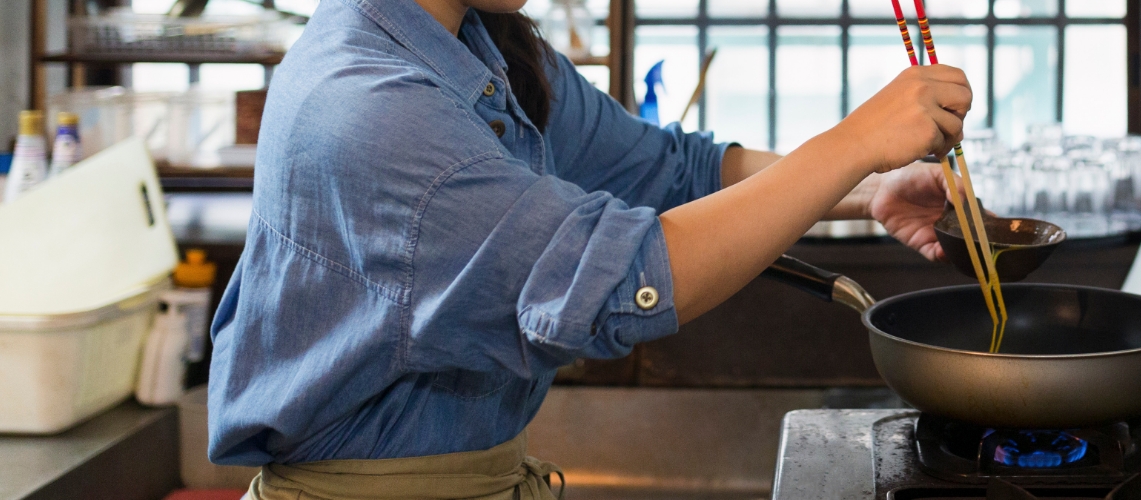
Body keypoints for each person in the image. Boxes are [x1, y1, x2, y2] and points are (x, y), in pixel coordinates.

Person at [204, 0, 971, 496]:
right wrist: (852, 143)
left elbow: (669, 171)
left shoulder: (478, 47)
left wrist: (868, 190)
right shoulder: (374, 108)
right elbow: (626, 283)